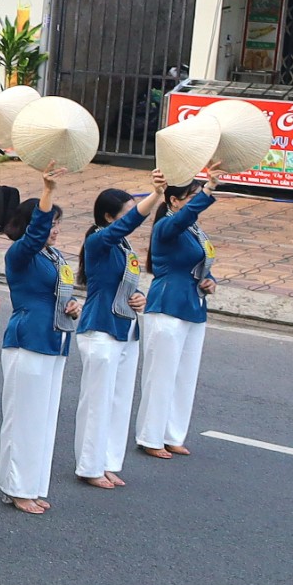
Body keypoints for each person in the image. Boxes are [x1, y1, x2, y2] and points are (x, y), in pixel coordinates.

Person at [0, 167, 74, 514]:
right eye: (49, 222)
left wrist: (73, 306)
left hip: (55, 339)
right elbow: (35, 231)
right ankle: (15, 487)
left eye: (57, 223)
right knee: (23, 418)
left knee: (43, 418)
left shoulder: (53, 256)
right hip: (28, 339)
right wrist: (47, 190)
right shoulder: (19, 253)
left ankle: (34, 483)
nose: (54, 229)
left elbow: (60, 291)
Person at [134, 168, 215, 460]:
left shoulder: (194, 229)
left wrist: (210, 281)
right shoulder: (167, 226)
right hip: (167, 305)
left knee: (184, 376)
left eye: (196, 195)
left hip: (194, 306)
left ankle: (172, 434)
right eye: (189, 196)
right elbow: (184, 218)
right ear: (173, 201)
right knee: (161, 375)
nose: (194, 201)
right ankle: (150, 435)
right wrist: (206, 192)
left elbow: (204, 263)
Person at [72, 188, 148, 488]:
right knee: (97, 402)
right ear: (108, 218)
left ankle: (108, 461)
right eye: (126, 212)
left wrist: (138, 297)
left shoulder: (122, 245)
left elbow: (125, 284)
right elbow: (129, 224)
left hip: (125, 329)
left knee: (119, 401)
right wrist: (156, 195)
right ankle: (89, 466)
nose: (131, 217)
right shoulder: (99, 241)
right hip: (100, 328)